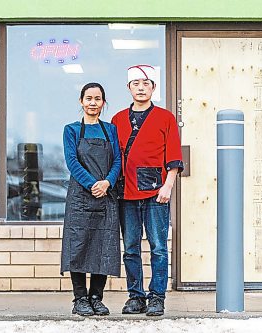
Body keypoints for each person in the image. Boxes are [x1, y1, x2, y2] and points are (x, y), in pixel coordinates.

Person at [112, 65, 184, 316]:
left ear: (153, 87)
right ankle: (135, 296)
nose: (141, 87)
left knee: (158, 247)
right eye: (136, 83)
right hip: (125, 192)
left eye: (146, 83)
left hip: (156, 191)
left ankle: (157, 296)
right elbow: (112, 156)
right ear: (129, 88)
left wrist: (168, 185)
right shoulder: (118, 119)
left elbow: (174, 154)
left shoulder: (165, 117)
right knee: (130, 247)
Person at [60, 82, 122, 316]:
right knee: (78, 246)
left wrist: (107, 182)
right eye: (89, 98)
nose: (93, 103)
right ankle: (80, 299)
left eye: (97, 99)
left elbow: (117, 160)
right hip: (80, 199)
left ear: (103, 103)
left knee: (102, 246)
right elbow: (72, 162)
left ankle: (96, 297)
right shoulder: (72, 130)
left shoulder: (111, 130)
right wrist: (92, 184)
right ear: (81, 101)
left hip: (106, 196)